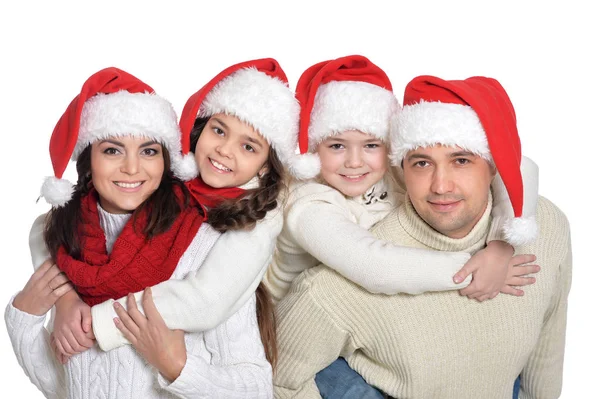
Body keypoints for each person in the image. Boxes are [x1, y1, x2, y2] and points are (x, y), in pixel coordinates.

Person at [273, 74, 571, 398]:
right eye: (422, 163)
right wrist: (472, 267)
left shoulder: (547, 225)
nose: (441, 186)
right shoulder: (329, 265)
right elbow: (282, 378)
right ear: (403, 167)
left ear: (496, 166)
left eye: (461, 160)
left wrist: (501, 244)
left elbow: (549, 336)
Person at [5, 66, 275, 398]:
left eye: (148, 151)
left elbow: (256, 389)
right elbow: (66, 388)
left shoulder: (205, 246)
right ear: (88, 159)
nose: (132, 168)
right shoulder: (67, 246)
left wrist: (177, 368)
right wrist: (26, 315)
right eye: (112, 150)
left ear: (167, 160)